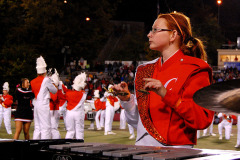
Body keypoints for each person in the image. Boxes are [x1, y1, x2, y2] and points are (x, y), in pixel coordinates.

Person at [112, 12, 214, 147]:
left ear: (173, 35)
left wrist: (165, 94)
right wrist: (127, 100)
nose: (149, 34)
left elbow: (202, 120)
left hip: (176, 151)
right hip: (141, 149)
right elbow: (142, 123)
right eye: (150, 30)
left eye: (155, 30)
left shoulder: (196, 68)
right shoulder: (144, 69)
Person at [31, 56, 58, 139]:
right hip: (43, 104)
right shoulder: (46, 80)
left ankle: (34, 144)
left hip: (36, 104)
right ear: (44, 72)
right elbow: (54, 90)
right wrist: (52, 80)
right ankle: (43, 146)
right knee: (45, 127)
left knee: (37, 127)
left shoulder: (32, 81)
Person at [61, 72, 87, 140]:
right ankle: (80, 146)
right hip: (78, 113)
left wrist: (61, 84)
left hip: (69, 113)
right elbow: (79, 91)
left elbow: (66, 92)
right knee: (79, 131)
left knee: (70, 131)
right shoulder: (83, 94)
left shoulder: (69, 94)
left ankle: (66, 146)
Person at [49, 69, 61, 139]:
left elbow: (54, 98)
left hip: (53, 108)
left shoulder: (54, 88)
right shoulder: (58, 87)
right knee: (53, 126)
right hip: (55, 108)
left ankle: (56, 139)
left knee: (53, 127)